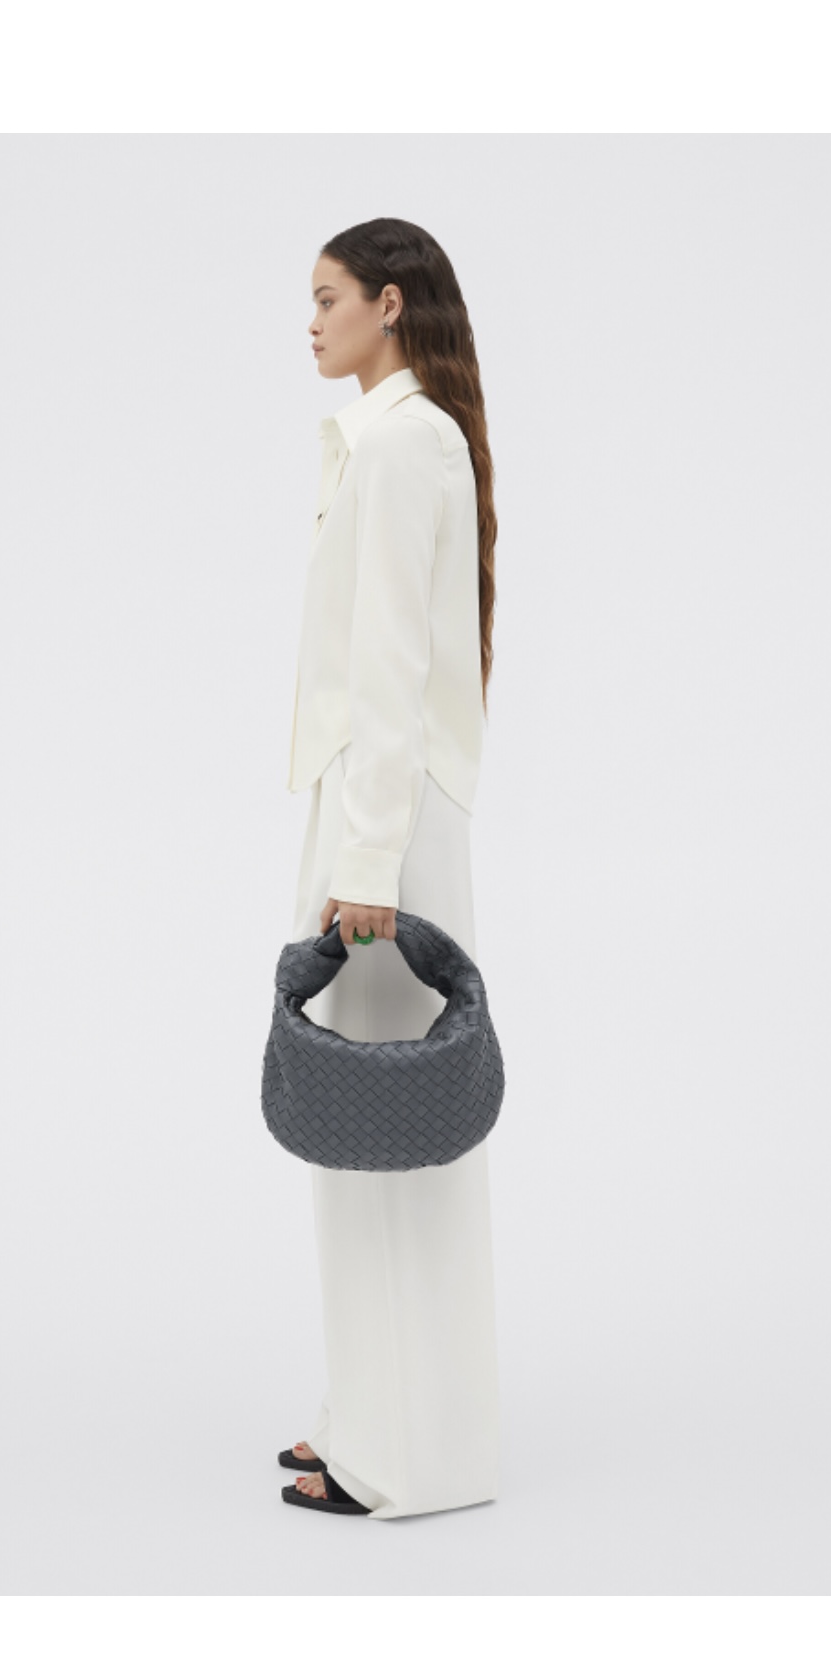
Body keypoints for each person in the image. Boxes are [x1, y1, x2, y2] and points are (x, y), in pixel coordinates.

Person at [279, 217, 501, 1519]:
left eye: (327, 298)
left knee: (388, 1140)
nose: (310, 322)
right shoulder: (389, 441)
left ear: (389, 303)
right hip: (376, 810)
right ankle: (374, 1420)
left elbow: (391, 671)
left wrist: (363, 857)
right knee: (367, 1131)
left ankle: (407, 1458)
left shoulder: (406, 444)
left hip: (384, 824)